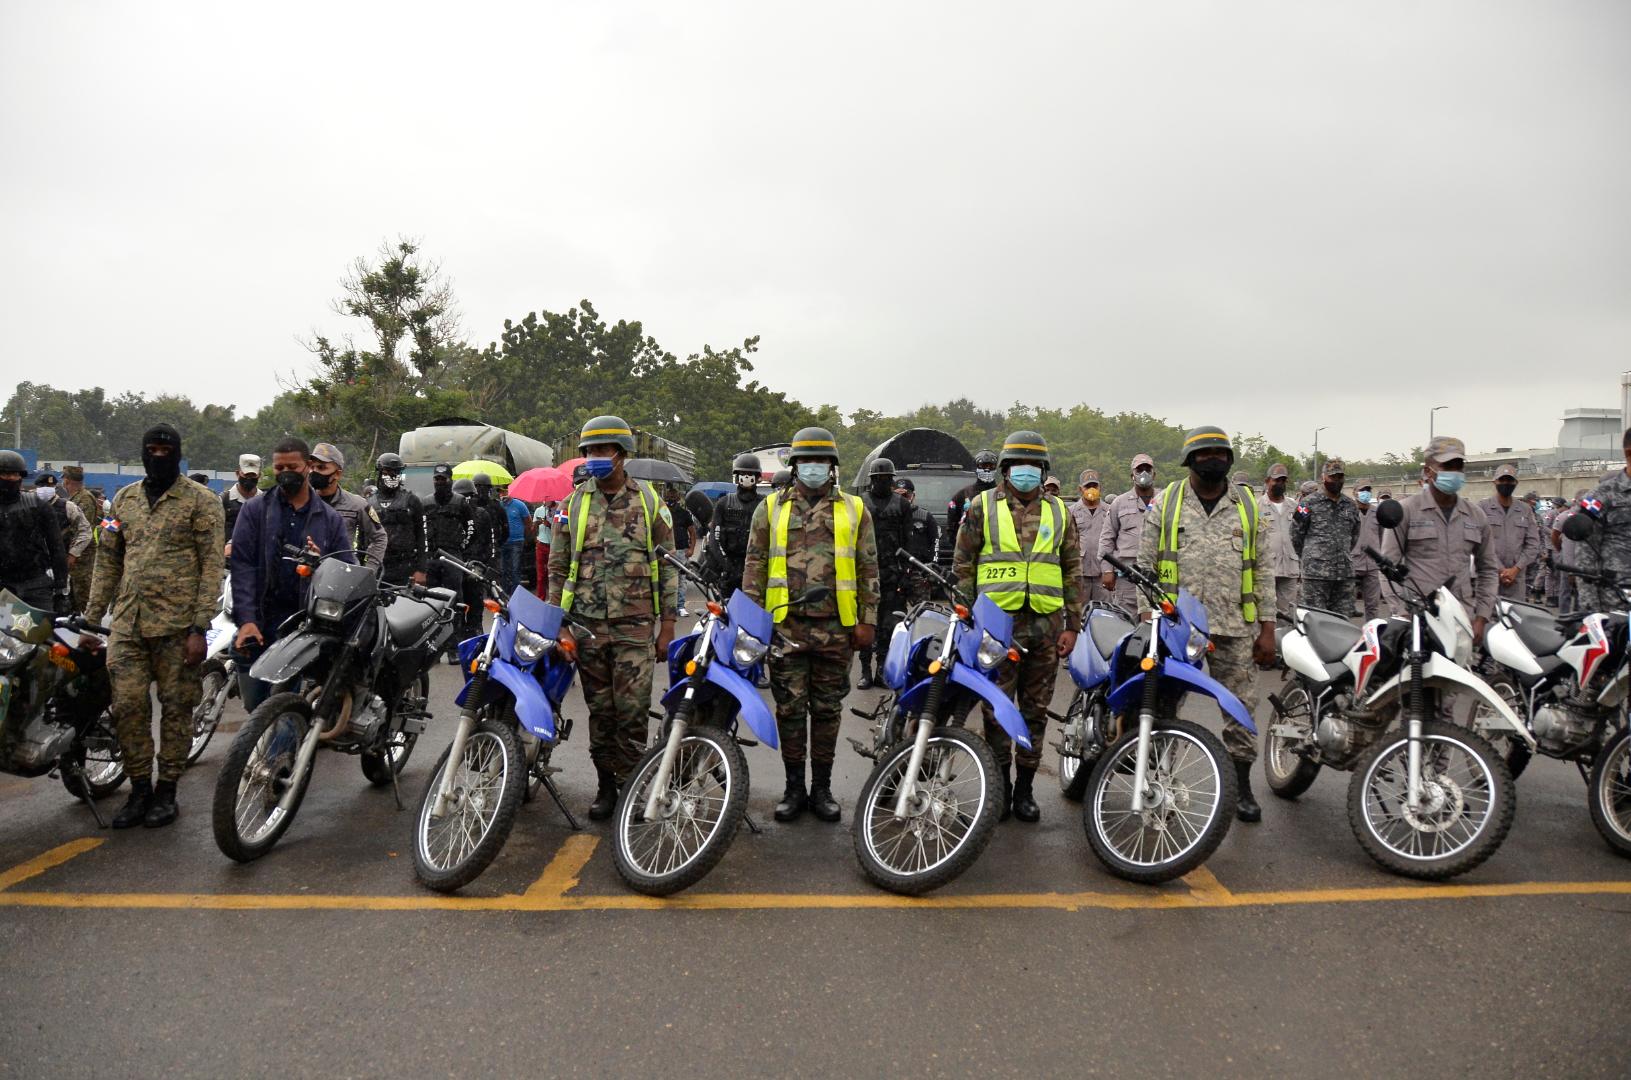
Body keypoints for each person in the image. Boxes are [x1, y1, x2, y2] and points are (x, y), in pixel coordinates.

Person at [84, 424, 224, 829]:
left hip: (178, 626)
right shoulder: (124, 500)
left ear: (177, 453)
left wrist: (199, 627)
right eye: (152, 449)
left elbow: (212, 566)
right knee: (127, 706)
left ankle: (167, 791)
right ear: (142, 452)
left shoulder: (201, 501)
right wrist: (91, 620)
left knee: (177, 708)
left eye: (166, 449)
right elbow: (108, 562)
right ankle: (140, 788)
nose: (158, 455)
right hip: (128, 624)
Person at [1138, 426, 1275, 823]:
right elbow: (1145, 566)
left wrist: (1268, 628)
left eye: (1220, 454)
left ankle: (1242, 787)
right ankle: (1160, 785)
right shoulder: (1167, 502)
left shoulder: (1248, 506)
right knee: (1164, 708)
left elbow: (1263, 570)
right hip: (1177, 627)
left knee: (1241, 709)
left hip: (1234, 627)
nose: (1213, 459)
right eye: (1204, 454)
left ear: (1229, 460)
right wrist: (1148, 617)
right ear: (1190, 460)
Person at [744, 426, 879, 823]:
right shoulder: (770, 508)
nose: (813, 467)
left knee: (826, 711)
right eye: (806, 461)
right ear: (795, 465)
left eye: (821, 461)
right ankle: (793, 789)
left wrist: (868, 621)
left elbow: (869, 567)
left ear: (832, 466)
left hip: (837, 628)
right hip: (785, 627)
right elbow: (754, 566)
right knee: (789, 710)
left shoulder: (855, 509)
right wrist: (752, 622)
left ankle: (822, 789)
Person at [549, 416, 677, 818]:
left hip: (635, 627)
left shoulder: (650, 502)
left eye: (602, 450)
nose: (594, 457)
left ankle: (631, 785)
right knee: (601, 712)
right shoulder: (573, 504)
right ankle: (606, 786)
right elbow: (557, 568)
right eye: (589, 451)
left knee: (633, 712)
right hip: (587, 627)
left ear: (622, 454)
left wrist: (668, 625)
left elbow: (669, 566)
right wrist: (559, 624)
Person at [953, 430, 1081, 823]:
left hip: (1045, 627)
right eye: (1018, 465)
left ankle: (1024, 790)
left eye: (1034, 466)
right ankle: (1000, 789)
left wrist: (1073, 625)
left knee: (1035, 712)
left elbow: (1072, 570)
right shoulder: (981, 507)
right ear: (1006, 470)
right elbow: (963, 564)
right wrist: (965, 616)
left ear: (1043, 471)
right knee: (996, 711)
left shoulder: (1060, 512)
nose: (1026, 472)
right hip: (997, 628)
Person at [229, 436, 357, 712]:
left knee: (285, 709)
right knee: (255, 707)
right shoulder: (254, 510)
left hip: (301, 628)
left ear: (307, 466)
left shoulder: (329, 519)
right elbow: (242, 567)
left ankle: (289, 738)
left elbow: (346, 570)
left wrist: (321, 564)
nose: (285, 473)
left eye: (292, 467)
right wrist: (246, 619)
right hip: (259, 622)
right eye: (279, 468)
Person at [1379, 436, 1498, 642]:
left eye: (1458, 466)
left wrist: (1482, 617)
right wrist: (1402, 613)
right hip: (1418, 619)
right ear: (1428, 471)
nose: (1454, 472)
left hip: (1462, 618)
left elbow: (1488, 569)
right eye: (1447, 466)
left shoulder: (1475, 515)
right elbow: (1387, 568)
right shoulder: (1407, 510)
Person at [857, 457, 911, 690]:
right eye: (878, 478)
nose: (881, 482)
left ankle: (881, 668)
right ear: (872, 480)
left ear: (891, 480)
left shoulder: (902, 505)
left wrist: (906, 574)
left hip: (892, 573)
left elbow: (908, 542)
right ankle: (865, 671)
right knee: (866, 622)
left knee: (889, 625)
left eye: (886, 478)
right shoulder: (860, 503)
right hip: (865, 573)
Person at [0, 449, 70, 611]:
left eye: (15, 474)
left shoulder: (38, 506)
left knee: (41, 627)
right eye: (5, 474)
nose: (11, 478)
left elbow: (57, 548)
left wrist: (61, 590)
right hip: (2, 587)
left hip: (35, 585)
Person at [1292, 459, 1361, 614]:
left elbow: (1354, 536)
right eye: (1332, 477)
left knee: (1342, 623)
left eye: (1339, 477)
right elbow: (1296, 536)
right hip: (1315, 576)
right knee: (1314, 621)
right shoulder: (1307, 504)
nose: (1336, 480)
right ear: (1323, 477)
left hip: (1343, 575)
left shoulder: (1350, 505)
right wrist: (1312, 557)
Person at [1577, 428, 1631, 612]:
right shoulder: (1600, 496)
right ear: (1629, 453)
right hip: (1615, 604)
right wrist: (1590, 610)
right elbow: (1585, 554)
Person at [308, 443, 387, 568]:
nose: (315, 472)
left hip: (344, 573)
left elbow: (379, 537)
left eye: (321, 467)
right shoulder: (302, 503)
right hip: (309, 573)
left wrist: (369, 571)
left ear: (337, 474)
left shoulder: (357, 504)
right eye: (312, 467)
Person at [424, 463, 474, 658]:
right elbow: (421, 530)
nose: (440, 482)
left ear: (450, 480)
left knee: (455, 602)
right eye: (437, 479)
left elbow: (471, 529)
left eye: (443, 479)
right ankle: (434, 648)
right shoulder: (426, 502)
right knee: (431, 603)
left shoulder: (460, 502)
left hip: (453, 558)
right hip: (432, 559)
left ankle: (454, 648)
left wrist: (461, 548)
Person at [1098, 453, 1158, 612]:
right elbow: (1107, 538)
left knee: (1158, 623)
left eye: (1147, 469)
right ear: (1132, 475)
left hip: (1158, 576)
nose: (1143, 473)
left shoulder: (1164, 499)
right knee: (1126, 622)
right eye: (1139, 470)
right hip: (1127, 576)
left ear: (1154, 474)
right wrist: (1107, 570)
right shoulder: (1119, 502)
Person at [701, 453, 763, 599]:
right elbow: (714, 539)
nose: (746, 477)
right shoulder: (724, 503)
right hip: (728, 571)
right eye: (743, 473)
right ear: (737, 476)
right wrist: (727, 566)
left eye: (750, 474)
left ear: (757, 477)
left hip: (755, 569)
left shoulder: (764, 504)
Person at [1479, 464, 1543, 601]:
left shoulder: (1525, 510)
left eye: (1509, 480)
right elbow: (1479, 544)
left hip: (1516, 580)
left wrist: (1516, 569)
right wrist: (1500, 570)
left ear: (1516, 483)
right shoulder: (1482, 508)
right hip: (1489, 577)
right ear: (1495, 482)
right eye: (1502, 480)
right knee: (1488, 612)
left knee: (1516, 613)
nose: (1506, 483)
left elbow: (1533, 544)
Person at [32, 471, 93, 610]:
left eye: (50, 486)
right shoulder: (28, 504)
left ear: (55, 487)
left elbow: (85, 530)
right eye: (42, 486)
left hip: (59, 561)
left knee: (60, 601)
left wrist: (73, 553)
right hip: (33, 563)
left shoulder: (67, 506)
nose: (45, 489)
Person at [370, 452, 427, 586]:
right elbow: (362, 538)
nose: (392, 475)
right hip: (376, 565)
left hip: (405, 566)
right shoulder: (369, 503)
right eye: (387, 472)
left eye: (396, 472)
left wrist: (421, 569)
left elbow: (422, 537)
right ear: (379, 473)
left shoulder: (412, 501)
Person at [1257, 462, 1299, 622]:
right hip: (1266, 568)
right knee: (1265, 613)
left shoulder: (1295, 506)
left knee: (1287, 615)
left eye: (1283, 480)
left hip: (1290, 566)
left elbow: (1303, 533)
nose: (1280, 483)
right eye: (1276, 480)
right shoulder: (1257, 506)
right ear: (1267, 481)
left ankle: (1284, 638)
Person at [894, 477, 940, 608]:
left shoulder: (925, 516)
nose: (902, 499)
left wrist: (932, 566)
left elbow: (935, 542)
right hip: (896, 571)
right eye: (898, 495)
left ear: (913, 496)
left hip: (919, 571)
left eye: (906, 495)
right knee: (894, 612)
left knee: (923, 611)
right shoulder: (889, 516)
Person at [61, 466, 102, 612]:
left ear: (67, 481)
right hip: (75, 553)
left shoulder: (85, 498)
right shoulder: (74, 498)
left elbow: (84, 529)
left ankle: (89, 622)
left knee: (83, 593)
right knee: (73, 595)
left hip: (82, 555)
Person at [1070, 469, 1112, 607]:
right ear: (1080, 489)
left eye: (1095, 486)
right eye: (1088, 486)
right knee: (1080, 612)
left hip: (1103, 572)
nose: (1092, 489)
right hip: (1080, 573)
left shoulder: (1110, 510)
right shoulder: (1071, 512)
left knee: (1104, 611)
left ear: (1100, 487)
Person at [946, 449, 1000, 548]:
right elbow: (951, 526)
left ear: (995, 467)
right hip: (969, 548)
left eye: (990, 466)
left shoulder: (1004, 494)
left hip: (997, 548)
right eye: (983, 466)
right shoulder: (962, 495)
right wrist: (959, 546)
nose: (987, 469)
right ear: (976, 467)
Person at [1351, 480, 1384, 620]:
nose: (1366, 493)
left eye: (1368, 490)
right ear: (1354, 492)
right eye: (1362, 490)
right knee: (1345, 604)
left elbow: (1383, 536)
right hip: (1352, 563)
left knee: (1373, 605)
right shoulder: (1349, 511)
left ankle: (1372, 630)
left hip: (1372, 565)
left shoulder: (1378, 512)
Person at [663, 485, 696, 615]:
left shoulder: (684, 514)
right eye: (669, 496)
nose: (671, 499)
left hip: (681, 550)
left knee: (681, 579)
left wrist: (691, 549)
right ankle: (667, 607)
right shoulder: (662, 513)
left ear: (678, 498)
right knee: (667, 579)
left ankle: (681, 606)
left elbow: (692, 532)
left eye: (673, 496)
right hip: (666, 551)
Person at [221, 454, 261, 556]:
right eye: (246, 475)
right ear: (237, 473)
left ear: (259, 475)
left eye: (253, 476)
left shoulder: (266, 501)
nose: (249, 479)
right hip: (228, 557)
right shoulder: (224, 500)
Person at [498, 482, 531, 596]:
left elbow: (528, 522)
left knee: (515, 569)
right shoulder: (498, 506)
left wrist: (525, 538)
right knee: (503, 570)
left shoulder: (520, 505)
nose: (502, 494)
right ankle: (505, 595)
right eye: (500, 492)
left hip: (516, 542)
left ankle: (515, 595)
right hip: (502, 542)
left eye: (504, 491)